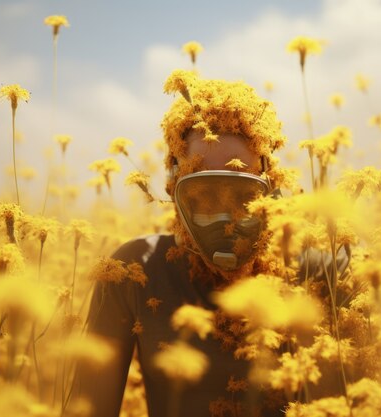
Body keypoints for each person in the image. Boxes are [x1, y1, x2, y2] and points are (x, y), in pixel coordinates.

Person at [74, 71, 346, 417]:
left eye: (242, 196)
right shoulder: (132, 271)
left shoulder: (312, 272)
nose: (224, 220)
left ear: (269, 189)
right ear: (175, 189)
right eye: (202, 195)